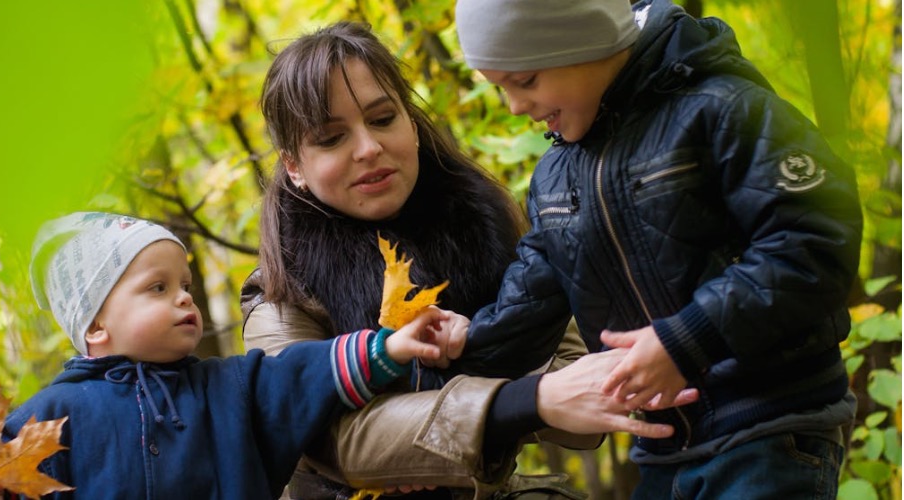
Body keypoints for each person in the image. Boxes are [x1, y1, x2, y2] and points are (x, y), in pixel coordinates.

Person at [243, 21, 698, 499]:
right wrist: (529, 402)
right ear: (293, 165)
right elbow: (338, 444)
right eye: (332, 138)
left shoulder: (491, 229)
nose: (369, 148)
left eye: (382, 120)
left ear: (412, 125)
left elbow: (577, 397)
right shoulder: (278, 289)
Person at [450, 0, 863, 498]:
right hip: (666, 450)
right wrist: (462, 344)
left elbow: (813, 243)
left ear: (584, 41)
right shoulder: (556, 177)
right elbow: (529, 303)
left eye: (527, 81)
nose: (515, 106)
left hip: (769, 427)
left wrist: (686, 339)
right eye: (501, 87)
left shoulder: (720, 108)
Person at [0, 211, 448, 500]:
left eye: (185, 285)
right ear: (95, 325)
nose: (184, 297)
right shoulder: (54, 416)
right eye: (158, 287)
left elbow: (305, 374)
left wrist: (389, 347)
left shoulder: (230, 387)